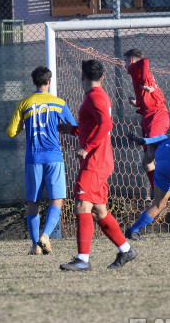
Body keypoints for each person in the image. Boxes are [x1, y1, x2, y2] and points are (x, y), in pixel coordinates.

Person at [57, 60, 136, 271]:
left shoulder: (95, 97)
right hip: (99, 160)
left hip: (95, 161)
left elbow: (106, 125)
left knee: (82, 205)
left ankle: (83, 259)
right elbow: (94, 125)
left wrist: (87, 147)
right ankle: (125, 249)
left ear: (82, 76)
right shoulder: (97, 96)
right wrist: (73, 129)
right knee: (99, 211)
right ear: (102, 77)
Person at [7, 66, 78, 255]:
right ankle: (45, 236)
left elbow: (11, 132)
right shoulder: (59, 103)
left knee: (33, 202)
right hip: (54, 156)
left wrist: (23, 126)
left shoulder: (25, 103)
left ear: (33, 82)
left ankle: (34, 246)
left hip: (33, 158)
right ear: (50, 81)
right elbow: (75, 126)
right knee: (57, 200)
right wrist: (62, 127)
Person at [124, 49, 170, 194]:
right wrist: (137, 103)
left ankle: (165, 190)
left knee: (154, 153)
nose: (125, 65)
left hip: (156, 115)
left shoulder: (134, 68)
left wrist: (144, 83)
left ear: (130, 60)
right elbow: (150, 99)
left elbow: (145, 61)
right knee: (147, 162)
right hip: (149, 115)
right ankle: (157, 192)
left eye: (125, 61)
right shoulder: (140, 73)